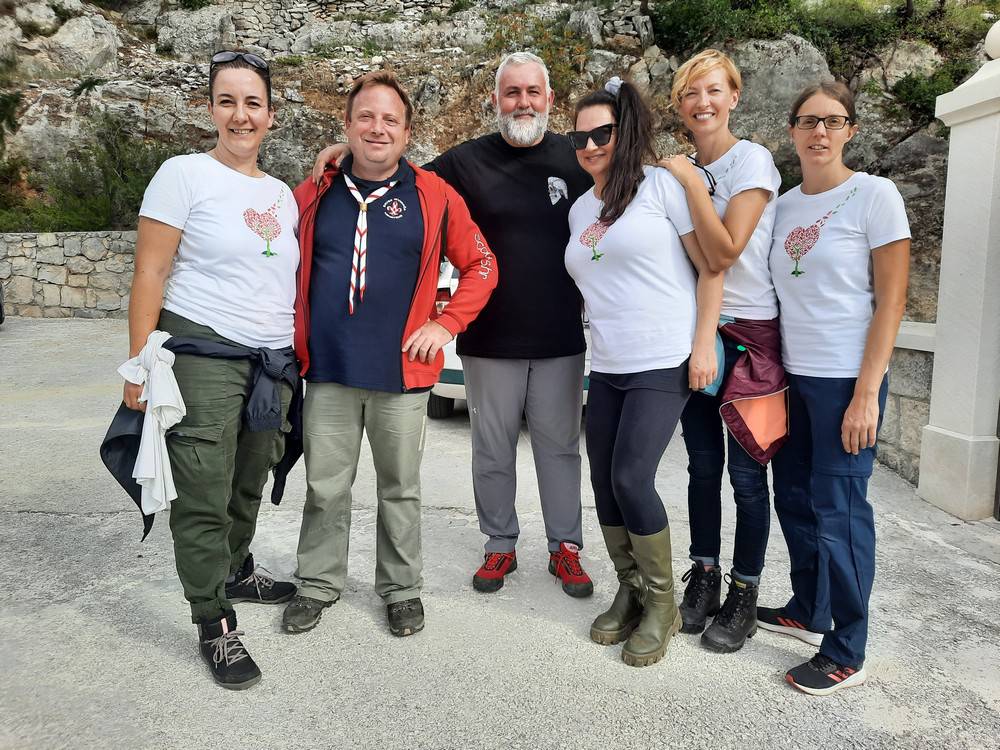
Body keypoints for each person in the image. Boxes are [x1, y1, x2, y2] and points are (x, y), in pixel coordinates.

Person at [311, 52, 595, 599]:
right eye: (511, 93)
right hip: (488, 340)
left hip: (561, 336)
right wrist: (348, 152)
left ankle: (566, 547)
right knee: (492, 449)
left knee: (559, 448)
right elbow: (396, 173)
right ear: (495, 100)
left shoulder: (575, 158)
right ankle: (499, 545)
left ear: (550, 100)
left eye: (533, 92)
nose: (523, 103)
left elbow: (620, 193)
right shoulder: (464, 162)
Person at [282, 71, 497, 639]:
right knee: (326, 486)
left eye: (390, 120)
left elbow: (483, 264)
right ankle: (318, 583)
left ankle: (401, 590)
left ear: (407, 133)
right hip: (327, 369)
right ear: (348, 124)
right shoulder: (314, 192)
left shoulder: (434, 196)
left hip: (401, 374)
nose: (378, 128)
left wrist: (446, 323)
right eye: (366, 117)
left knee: (399, 486)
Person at [124, 50, 299, 690]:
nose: (240, 114)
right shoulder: (182, 175)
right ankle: (213, 622)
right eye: (227, 101)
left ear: (271, 116)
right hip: (202, 351)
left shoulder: (281, 195)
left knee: (250, 476)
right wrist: (141, 362)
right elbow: (150, 271)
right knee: (201, 487)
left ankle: (235, 568)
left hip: (271, 361)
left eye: (253, 102)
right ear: (210, 110)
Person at [565, 78, 723, 667]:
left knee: (633, 478)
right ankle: (629, 587)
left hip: (663, 357)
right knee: (604, 480)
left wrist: (702, 344)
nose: (589, 145)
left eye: (601, 132)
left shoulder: (660, 187)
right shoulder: (582, 207)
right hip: (606, 362)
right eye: (579, 136)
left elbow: (712, 267)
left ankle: (663, 603)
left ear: (624, 131)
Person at [763, 81, 910, 695]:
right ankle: (809, 606)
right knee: (792, 499)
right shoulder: (783, 204)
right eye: (807, 121)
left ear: (850, 129)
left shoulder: (873, 195)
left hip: (844, 380)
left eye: (832, 120)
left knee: (841, 513)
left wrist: (866, 393)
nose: (819, 132)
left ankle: (847, 646)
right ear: (792, 131)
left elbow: (892, 301)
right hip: (790, 378)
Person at [659, 49, 785, 653]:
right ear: (679, 106)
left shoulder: (751, 160)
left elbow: (726, 250)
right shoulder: (678, 167)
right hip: (698, 331)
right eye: (690, 93)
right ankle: (704, 575)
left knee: (747, 477)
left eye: (713, 90)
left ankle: (745, 592)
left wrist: (688, 181)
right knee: (702, 467)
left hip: (752, 337)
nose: (702, 102)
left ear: (733, 96)